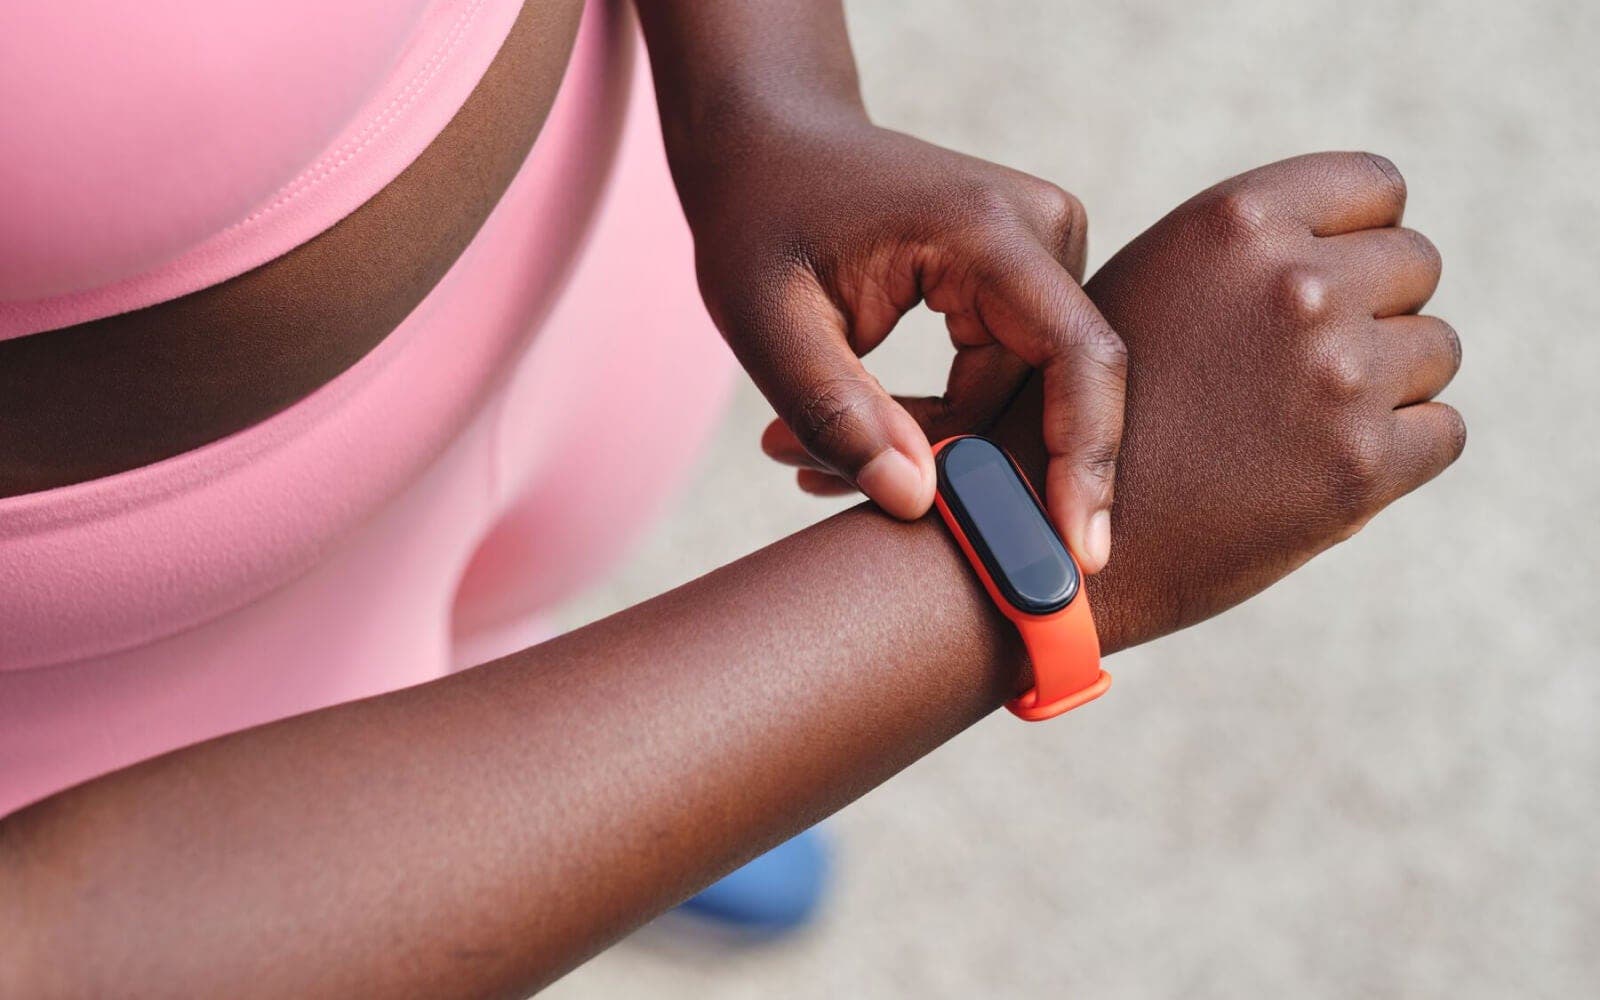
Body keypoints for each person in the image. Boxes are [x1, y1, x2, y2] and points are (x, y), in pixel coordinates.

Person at [0, 0, 1463, 994]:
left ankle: (594, 744)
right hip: (130, 728)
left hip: (612, 257)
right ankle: (605, 814)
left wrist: (771, 91)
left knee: (520, 614)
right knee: (430, 832)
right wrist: (997, 585)